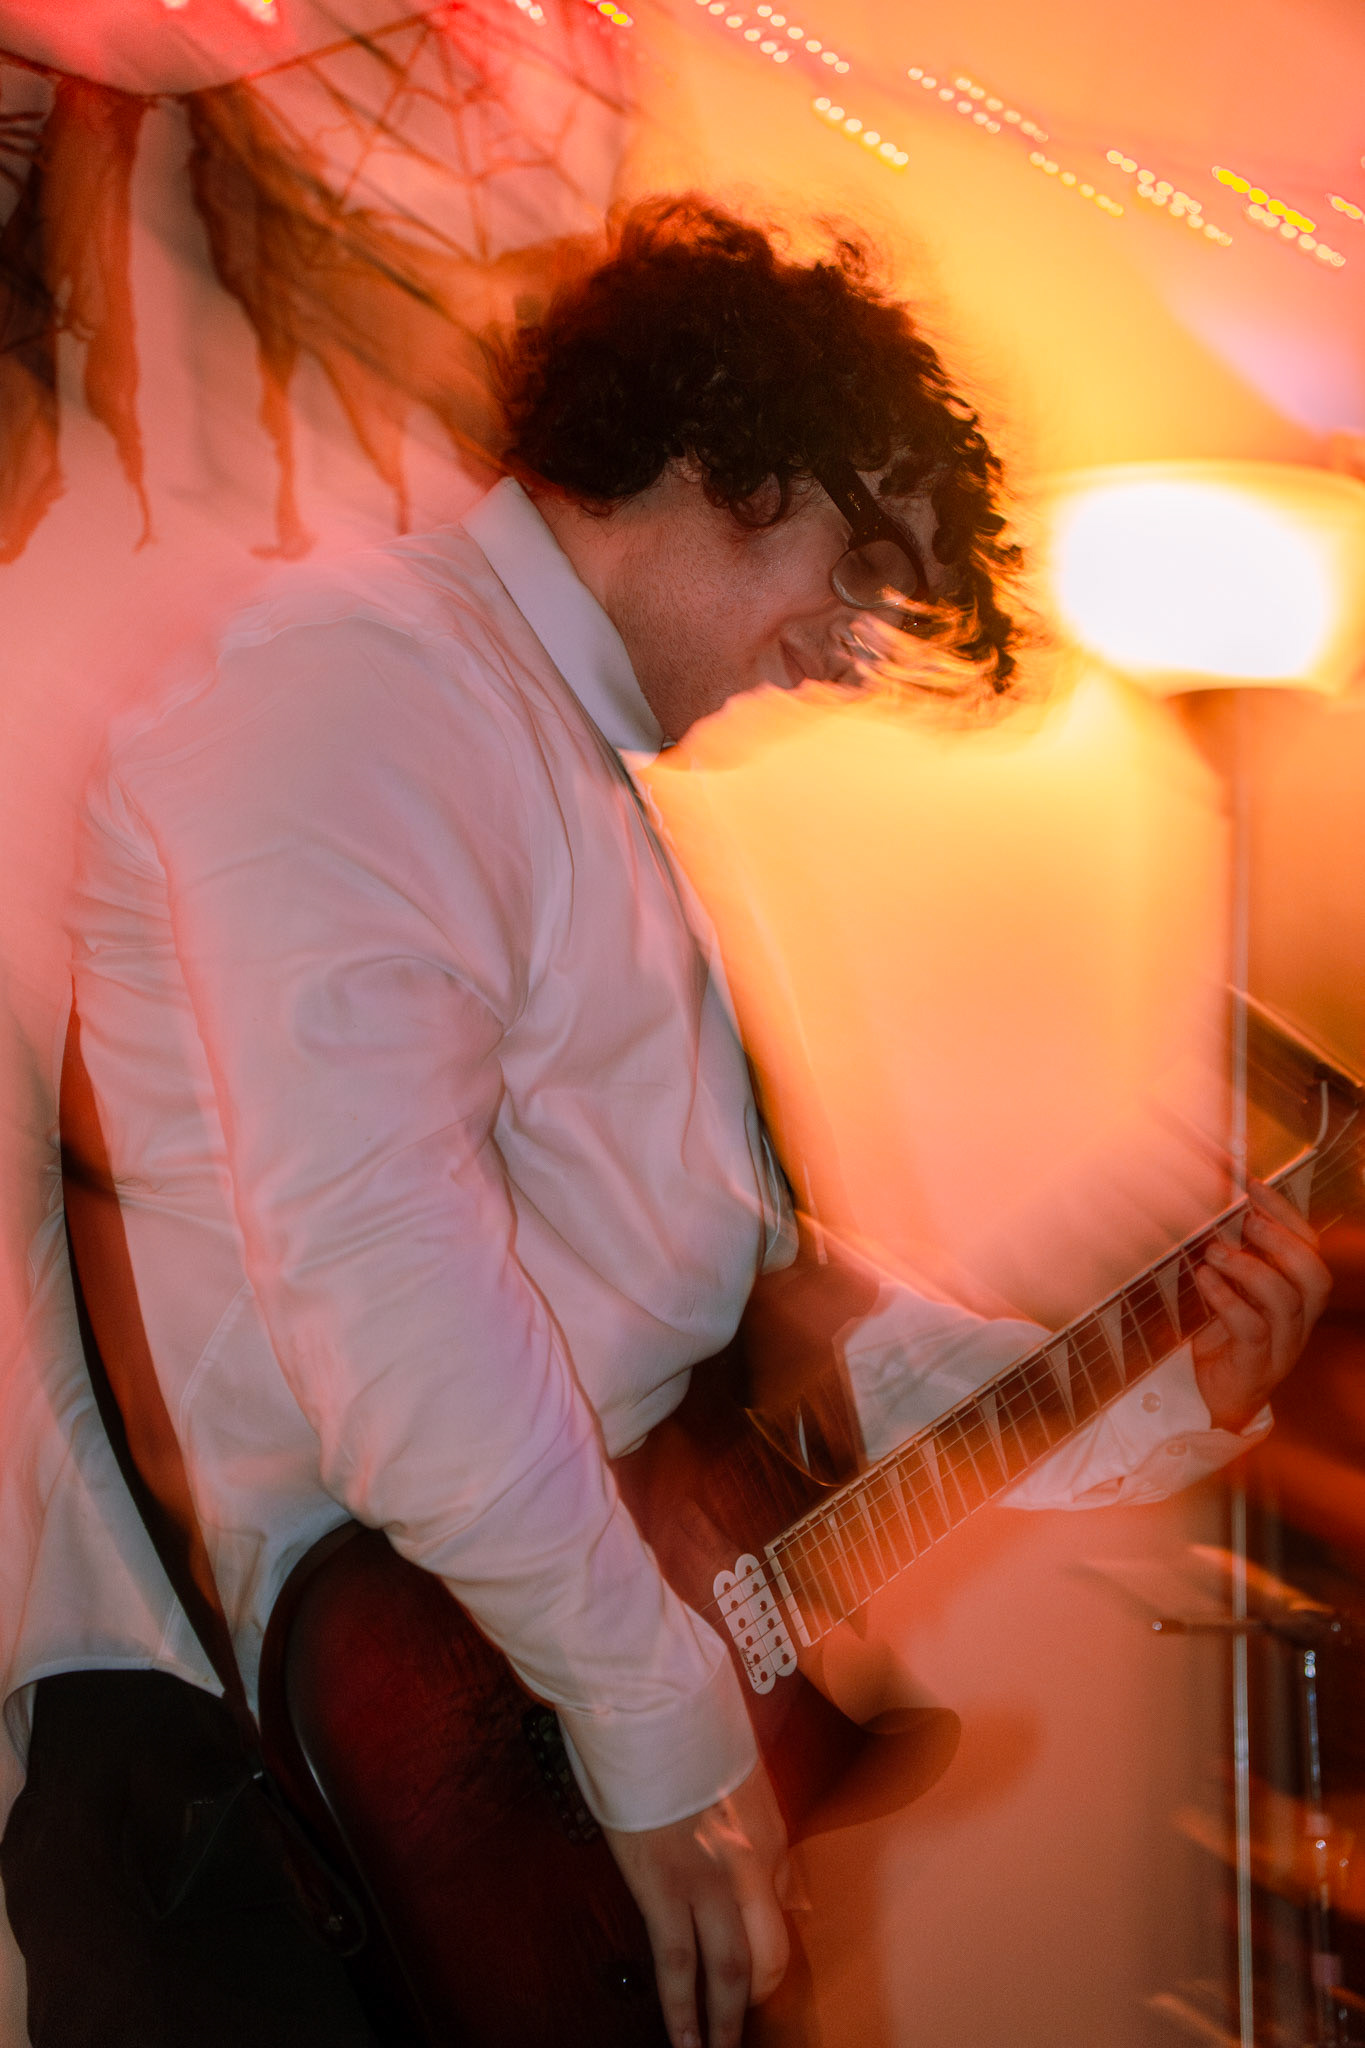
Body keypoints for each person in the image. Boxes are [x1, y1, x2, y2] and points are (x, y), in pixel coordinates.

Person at [0, 196, 1331, 2048]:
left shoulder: (560, 763)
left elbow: (753, 1328)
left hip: (479, 1778)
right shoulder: (360, 685)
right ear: (717, 462)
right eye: (862, 564)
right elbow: (386, 1282)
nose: (851, 646)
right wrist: (655, 1722)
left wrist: (1161, 1387)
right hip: (291, 1825)